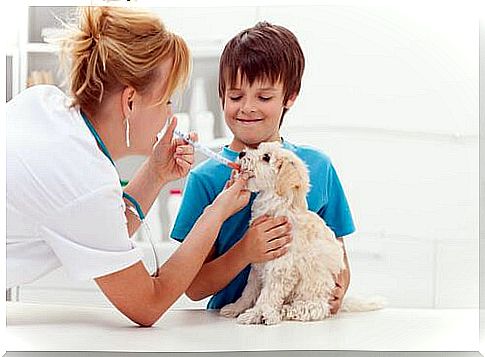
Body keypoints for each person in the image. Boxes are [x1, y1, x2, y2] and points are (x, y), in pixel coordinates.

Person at [6, 7, 250, 327]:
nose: (168, 115)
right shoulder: (84, 181)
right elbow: (148, 304)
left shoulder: (43, 101)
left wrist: (155, 173)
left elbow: (103, 228)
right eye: (166, 101)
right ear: (131, 102)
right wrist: (216, 213)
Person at [170, 22, 355, 315]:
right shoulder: (204, 179)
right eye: (235, 96)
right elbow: (193, 288)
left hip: (299, 330)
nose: (248, 107)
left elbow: (337, 256)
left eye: (264, 97)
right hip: (224, 330)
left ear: (290, 97)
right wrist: (246, 251)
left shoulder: (317, 168)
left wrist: (338, 289)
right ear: (222, 97)